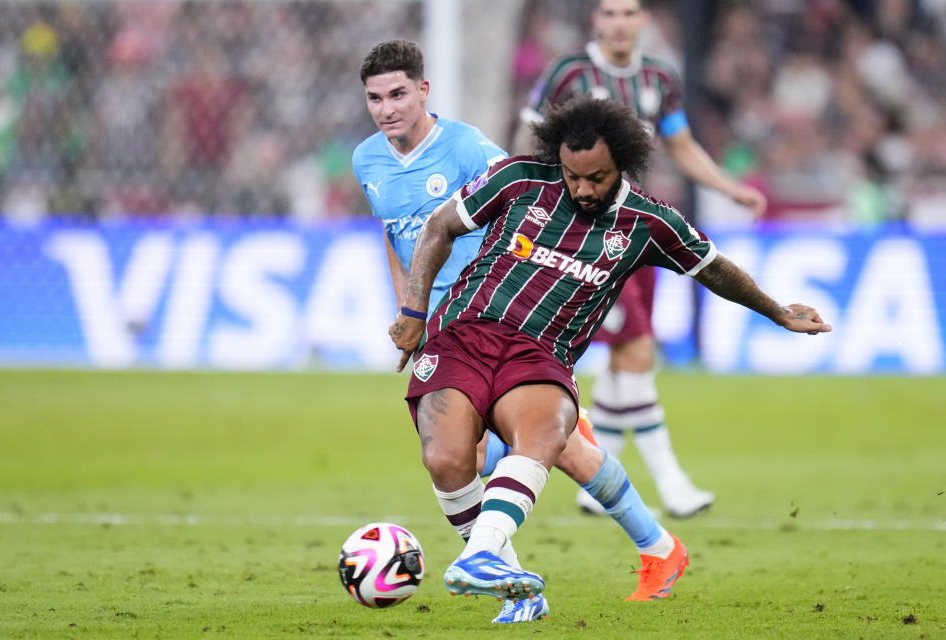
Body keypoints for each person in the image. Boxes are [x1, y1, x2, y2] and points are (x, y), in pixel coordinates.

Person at [389, 94, 830, 605]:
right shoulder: (519, 179)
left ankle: (487, 557)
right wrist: (414, 309)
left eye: (595, 177)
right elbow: (439, 226)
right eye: (572, 175)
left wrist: (777, 311)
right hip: (465, 334)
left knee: (543, 434)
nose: (582, 188)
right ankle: (521, 576)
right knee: (447, 460)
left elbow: (713, 268)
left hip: (540, 354)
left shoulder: (649, 222)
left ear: (622, 162)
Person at [354, 41, 690, 623]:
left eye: (399, 94)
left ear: (423, 91)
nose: (388, 109)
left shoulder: (468, 148)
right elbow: (395, 235)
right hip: (438, 325)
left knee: (502, 453)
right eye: (376, 98)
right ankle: (650, 549)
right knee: (515, 453)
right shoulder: (366, 161)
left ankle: (624, 557)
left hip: (498, 319)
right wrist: (409, 308)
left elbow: (521, 205)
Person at [514, 0, 769, 519]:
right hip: (584, 232)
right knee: (636, 349)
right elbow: (531, 136)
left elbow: (681, 144)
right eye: (609, 13)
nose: (618, 22)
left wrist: (728, 187)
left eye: (628, 12)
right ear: (596, 21)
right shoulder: (569, 73)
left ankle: (594, 483)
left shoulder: (660, 77)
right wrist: (518, 197)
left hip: (635, 230)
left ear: (644, 21)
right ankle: (671, 482)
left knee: (628, 358)